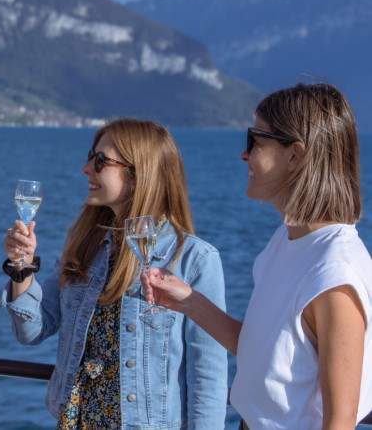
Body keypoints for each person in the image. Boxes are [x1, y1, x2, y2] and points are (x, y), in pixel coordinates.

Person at [142, 82, 372, 430]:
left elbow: (340, 420)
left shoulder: (334, 271)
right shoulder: (289, 240)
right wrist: (188, 301)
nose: (244, 154)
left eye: (255, 140)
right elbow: (265, 352)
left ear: (295, 155)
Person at [0, 118, 227, 429]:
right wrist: (21, 265)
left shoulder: (195, 260)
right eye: (91, 156)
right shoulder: (85, 247)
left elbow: (207, 376)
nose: (86, 168)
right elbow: (31, 331)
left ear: (138, 173)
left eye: (101, 161)